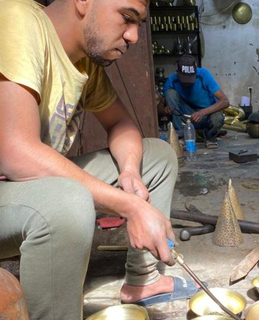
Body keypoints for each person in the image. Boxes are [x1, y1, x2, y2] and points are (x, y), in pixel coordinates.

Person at [0, 0, 198, 319]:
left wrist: (131, 173)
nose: (133, 36)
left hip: (28, 186)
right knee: (66, 201)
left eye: (138, 24)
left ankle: (143, 281)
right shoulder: (16, 19)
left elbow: (122, 124)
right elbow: (16, 154)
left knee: (157, 156)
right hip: (11, 185)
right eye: (126, 17)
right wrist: (130, 205)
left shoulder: (84, 63)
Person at [163, 54, 230, 148]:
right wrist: (165, 109)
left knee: (217, 118)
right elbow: (159, 107)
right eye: (184, 80)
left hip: (206, 115)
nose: (187, 83)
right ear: (177, 72)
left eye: (190, 79)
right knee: (170, 93)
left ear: (195, 71)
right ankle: (182, 135)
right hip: (186, 116)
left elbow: (225, 101)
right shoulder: (172, 80)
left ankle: (210, 137)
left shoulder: (203, 75)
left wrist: (202, 113)